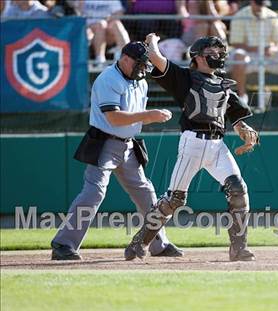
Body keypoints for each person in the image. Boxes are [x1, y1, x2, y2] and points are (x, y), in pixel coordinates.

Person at [124, 34, 260, 262]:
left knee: (238, 190)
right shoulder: (185, 78)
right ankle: (140, 241)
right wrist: (152, 40)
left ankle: (239, 248)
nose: (217, 56)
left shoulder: (223, 84)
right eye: (211, 53)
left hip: (218, 145)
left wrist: (246, 132)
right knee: (174, 199)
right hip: (192, 143)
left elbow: (236, 117)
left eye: (219, 53)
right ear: (197, 57)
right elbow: (156, 58)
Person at [51, 42, 183, 260]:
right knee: (94, 192)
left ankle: (159, 244)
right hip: (104, 143)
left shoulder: (140, 82)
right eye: (139, 63)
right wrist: (148, 115)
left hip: (128, 144)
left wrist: (148, 116)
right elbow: (114, 117)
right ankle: (63, 244)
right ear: (125, 59)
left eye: (145, 64)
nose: (143, 68)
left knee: (145, 191)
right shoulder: (108, 79)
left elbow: (133, 117)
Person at [229, 0, 278, 109]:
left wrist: (272, 49)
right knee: (238, 56)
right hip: (248, 55)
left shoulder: (273, 16)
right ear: (252, 2)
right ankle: (242, 98)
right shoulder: (240, 16)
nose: (261, 7)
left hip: (268, 56)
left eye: (263, 4)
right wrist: (257, 49)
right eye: (258, 3)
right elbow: (235, 43)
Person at [76, 0, 130, 66]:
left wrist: (108, 21)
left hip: (107, 32)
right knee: (100, 26)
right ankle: (100, 60)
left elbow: (118, 12)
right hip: (89, 31)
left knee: (116, 24)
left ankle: (127, 56)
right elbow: (77, 13)